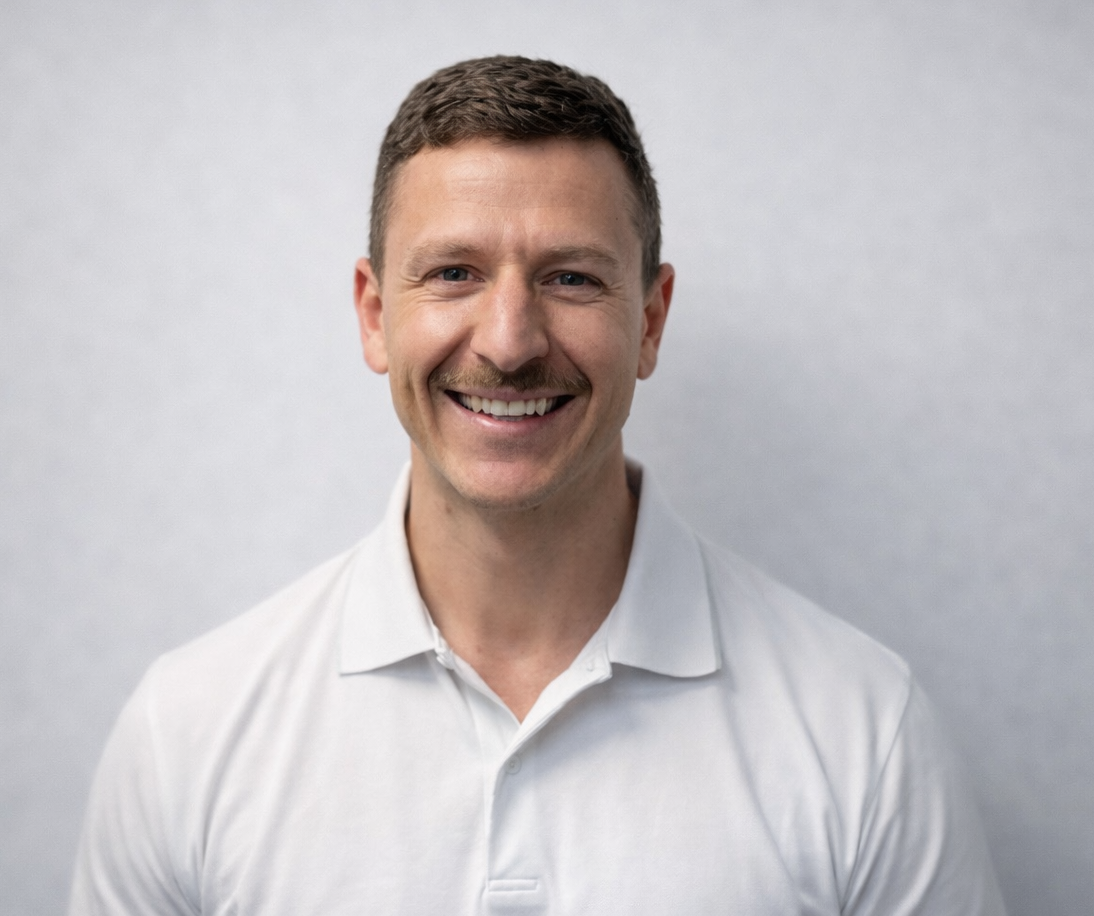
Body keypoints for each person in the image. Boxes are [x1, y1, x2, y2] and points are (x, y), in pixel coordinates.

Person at [69, 56, 1006, 915]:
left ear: (649, 321)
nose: (509, 341)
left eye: (569, 278)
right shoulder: (187, 733)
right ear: (374, 315)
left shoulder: (864, 734)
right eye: (453, 273)